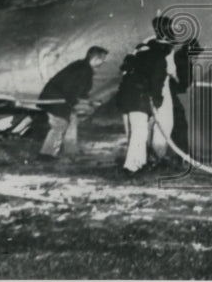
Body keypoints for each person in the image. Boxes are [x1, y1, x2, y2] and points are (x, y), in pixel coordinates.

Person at [117, 16, 176, 174]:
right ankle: (132, 167)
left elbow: (126, 69)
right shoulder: (161, 59)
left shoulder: (142, 49)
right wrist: (156, 101)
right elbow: (159, 81)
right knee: (141, 130)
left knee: (140, 129)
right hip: (141, 95)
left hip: (131, 95)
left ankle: (142, 162)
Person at [37, 46, 108, 161]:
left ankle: (70, 151)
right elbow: (72, 90)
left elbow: (79, 91)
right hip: (57, 98)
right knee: (59, 125)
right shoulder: (84, 70)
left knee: (72, 120)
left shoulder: (82, 66)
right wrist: (86, 102)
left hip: (60, 97)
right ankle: (46, 155)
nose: (103, 62)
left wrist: (85, 101)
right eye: (102, 59)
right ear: (95, 58)